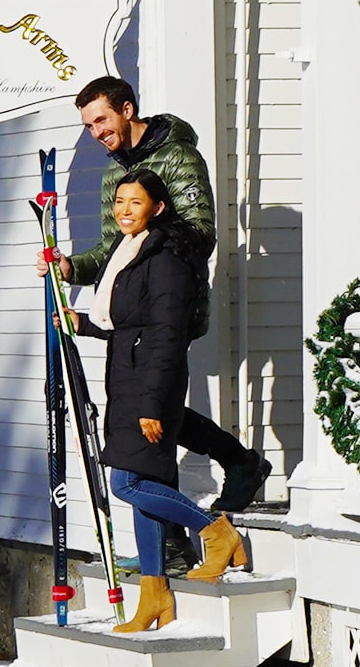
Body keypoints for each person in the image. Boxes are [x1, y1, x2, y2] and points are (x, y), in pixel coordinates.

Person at [40, 76, 271, 514]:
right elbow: (113, 251)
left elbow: (200, 234)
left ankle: (231, 474)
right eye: (89, 126)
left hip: (167, 302)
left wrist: (148, 241)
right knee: (150, 413)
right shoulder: (114, 171)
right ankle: (223, 479)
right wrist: (73, 266)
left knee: (151, 409)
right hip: (129, 309)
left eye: (102, 120)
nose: (97, 133)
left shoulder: (179, 158)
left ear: (127, 110)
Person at [72, 168, 245, 633]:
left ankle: (216, 530)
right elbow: (129, 323)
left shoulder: (166, 259)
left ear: (158, 207)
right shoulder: (129, 252)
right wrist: (81, 323)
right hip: (128, 380)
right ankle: (155, 597)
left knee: (126, 483)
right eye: (120, 202)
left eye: (135, 203)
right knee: (142, 496)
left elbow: (167, 335)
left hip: (150, 386)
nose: (124, 211)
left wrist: (151, 404)